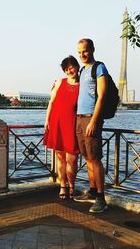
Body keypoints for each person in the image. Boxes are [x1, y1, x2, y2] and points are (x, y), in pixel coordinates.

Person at [73, 38, 108, 213]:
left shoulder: (99, 68)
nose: (82, 55)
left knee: (95, 158)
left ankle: (101, 198)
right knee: (87, 157)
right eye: (79, 52)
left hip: (90, 118)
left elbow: (101, 96)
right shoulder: (82, 70)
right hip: (79, 118)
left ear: (92, 49)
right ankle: (93, 191)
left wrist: (94, 121)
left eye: (85, 51)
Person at [44, 55, 80, 200]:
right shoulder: (59, 82)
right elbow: (51, 102)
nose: (69, 71)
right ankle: (62, 186)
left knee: (72, 159)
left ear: (76, 67)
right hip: (57, 123)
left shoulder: (83, 85)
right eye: (66, 69)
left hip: (72, 124)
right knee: (60, 159)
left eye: (71, 67)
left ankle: (72, 185)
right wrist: (47, 120)